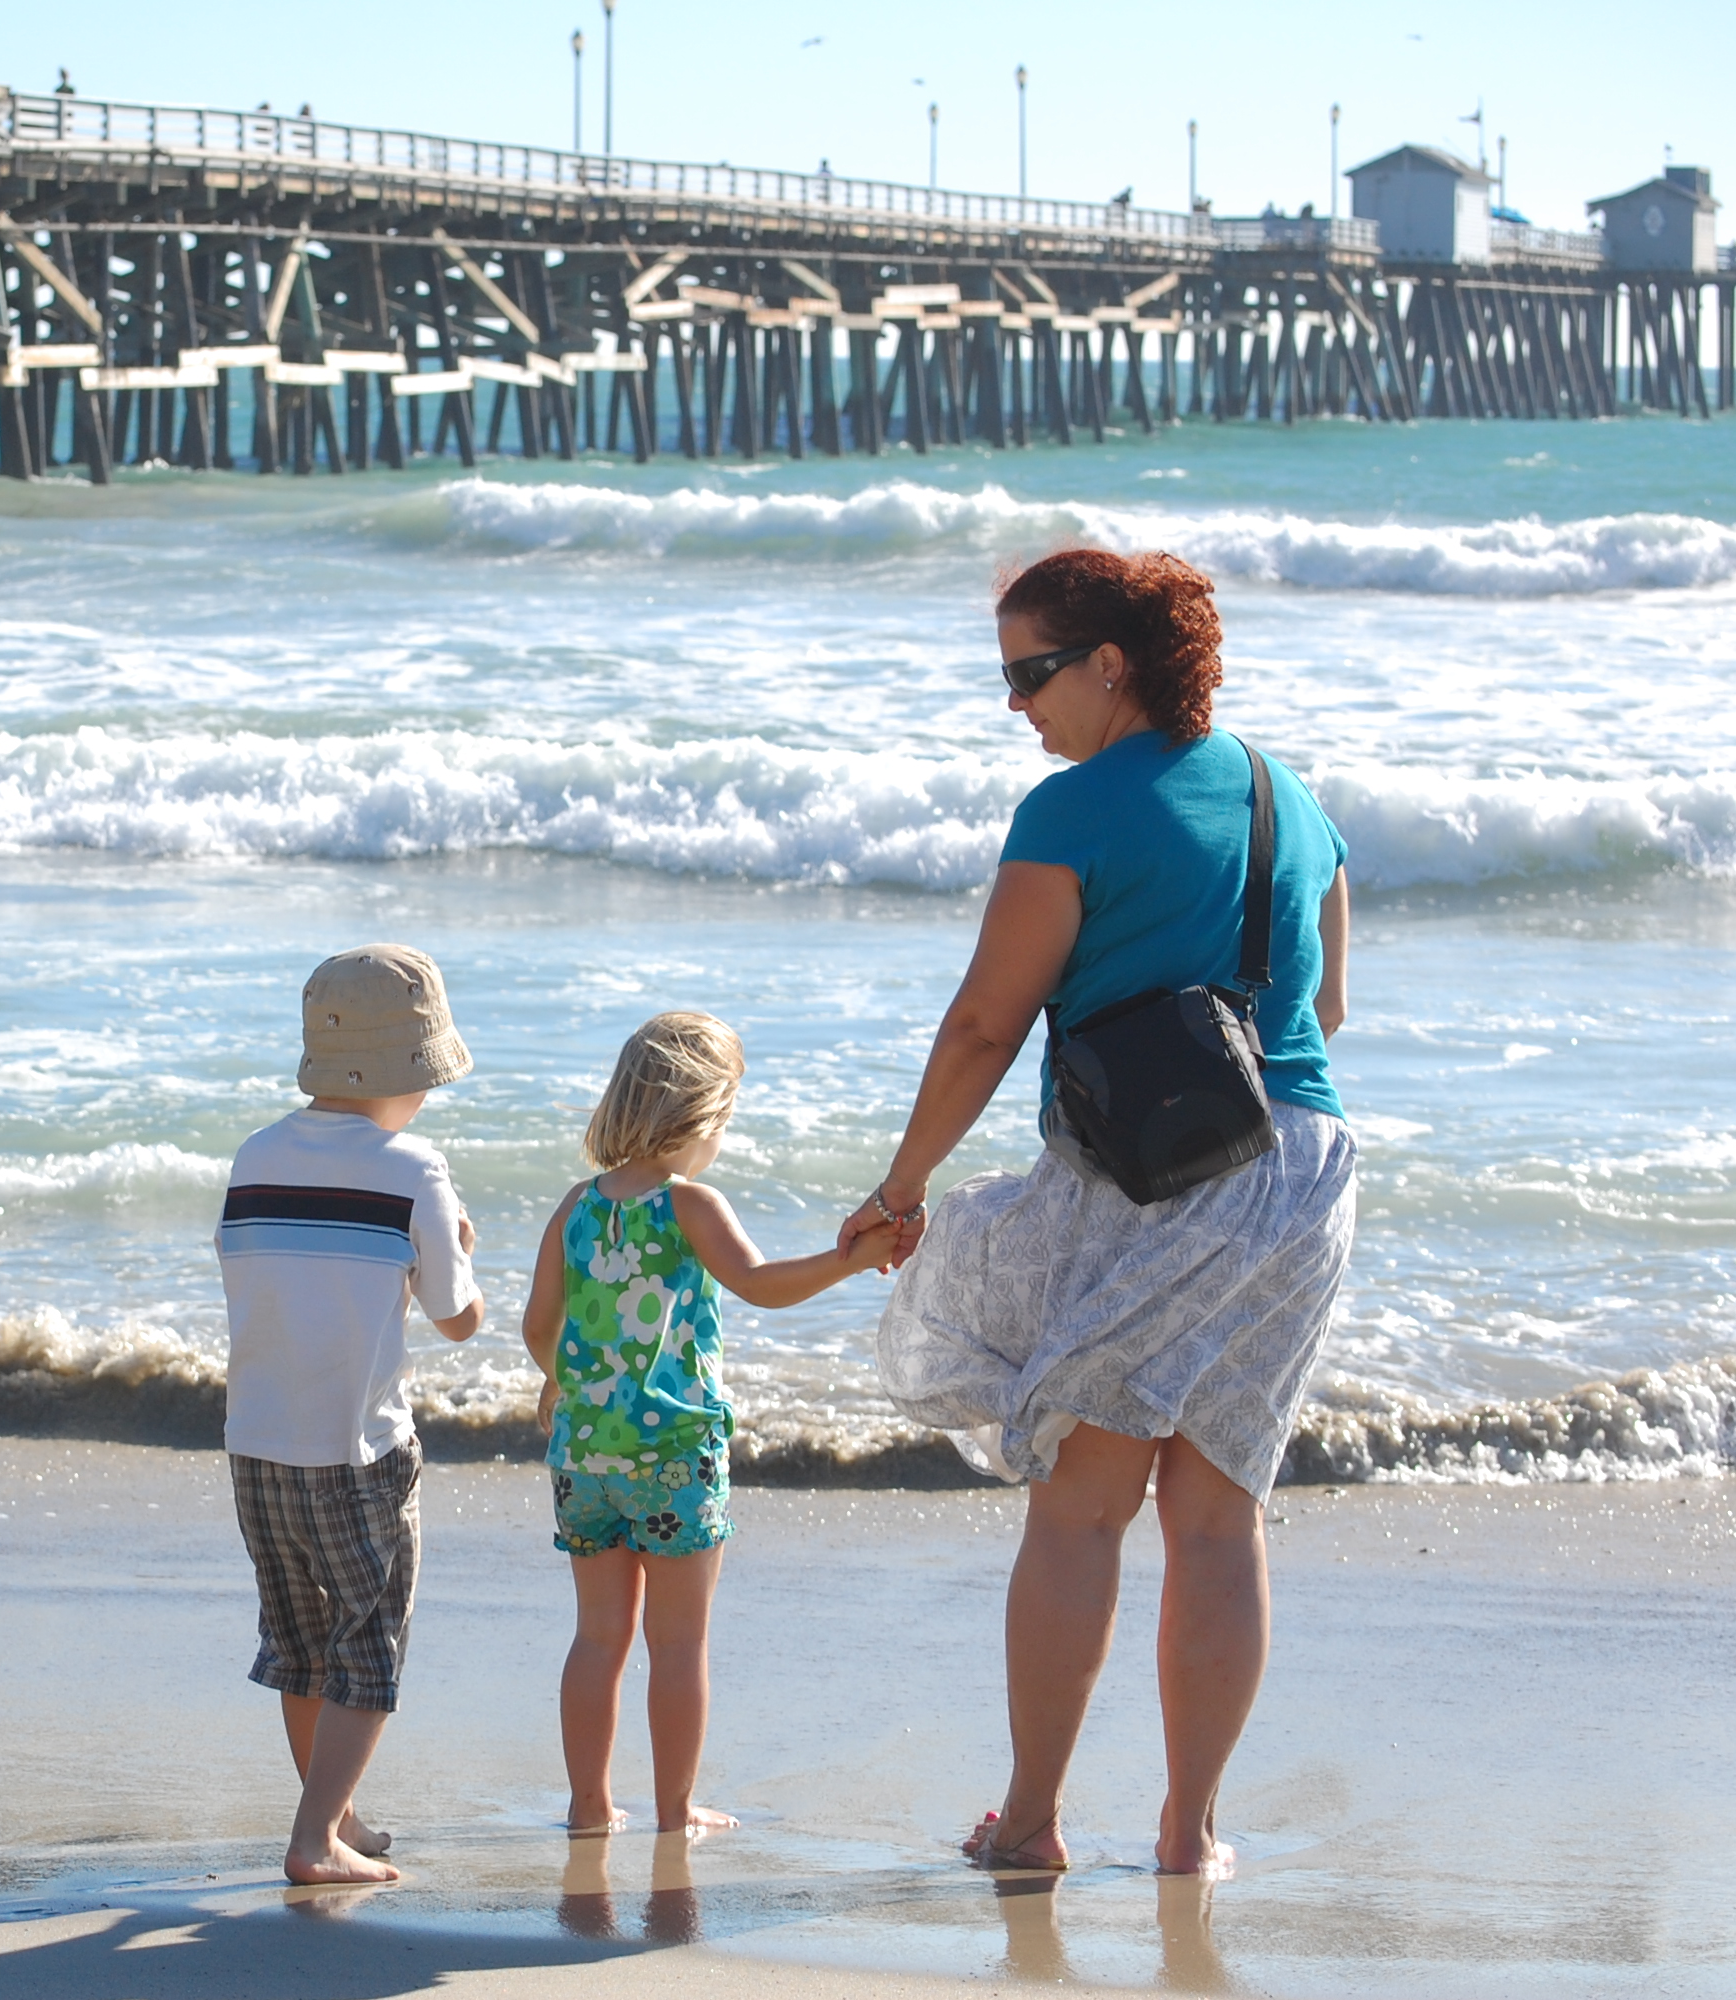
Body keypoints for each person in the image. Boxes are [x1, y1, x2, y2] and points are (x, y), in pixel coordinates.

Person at [840, 548, 1355, 1880]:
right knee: (1219, 1515)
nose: (1016, 704)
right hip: (1306, 1168)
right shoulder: (1287, 793)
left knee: (1081, 1506)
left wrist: (900, 1187)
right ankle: (1189, 1835)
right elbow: (1325, 1008)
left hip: (1156, 1175)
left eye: (1030, 674)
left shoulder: (1070, 809)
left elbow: (984, 1024)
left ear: (1111, 665)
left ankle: (1030, 1822)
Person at [522, 1011, 882, 1837]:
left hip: (585, 1457)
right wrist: (852, 1260)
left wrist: (561, 1382)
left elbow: (539, 1323)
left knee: (598, 1638)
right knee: (678, 1644)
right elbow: (757, 1283)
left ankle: (588, 1806)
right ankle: (674, 1810)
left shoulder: (577, 1207)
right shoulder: (687, 1204)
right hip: (676, 1455)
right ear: (702, 1113)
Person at [214, 943, 483, 1885]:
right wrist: (460, 1250)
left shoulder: (254, 1155)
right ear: (412, 1068)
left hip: (256, 1444)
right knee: (368, 1648)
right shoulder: (415, 1167)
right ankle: (312, 1839)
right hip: (358, 1449)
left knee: (301, 1647)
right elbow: (457, 1317)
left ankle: (336, 1815)